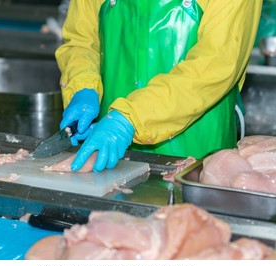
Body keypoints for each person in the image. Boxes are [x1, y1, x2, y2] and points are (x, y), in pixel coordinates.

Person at [55, 0, 263, 173]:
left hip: (196, 159)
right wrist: (82, 85)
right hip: (109, 148)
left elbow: (217, 63)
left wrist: (130, 119)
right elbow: (81, 40)